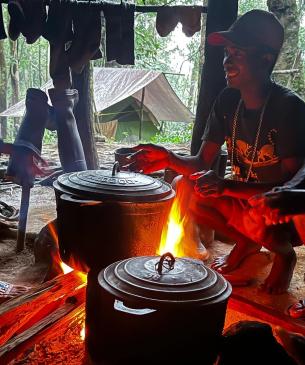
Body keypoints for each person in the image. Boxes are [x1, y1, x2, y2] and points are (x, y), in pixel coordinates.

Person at [125, 9, 305, 294]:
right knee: (184, 187)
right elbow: (201, 162)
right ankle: (247, 242)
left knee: (266, 208)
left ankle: (283, 253)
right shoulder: (227, 101)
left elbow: (290, 192)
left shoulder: (288, 108)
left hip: (279, 215)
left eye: (238, 54)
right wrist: (168, 158)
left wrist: (225, 186)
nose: (227, 60)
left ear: (265, 59)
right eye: (227, 53)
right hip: (244, 202)